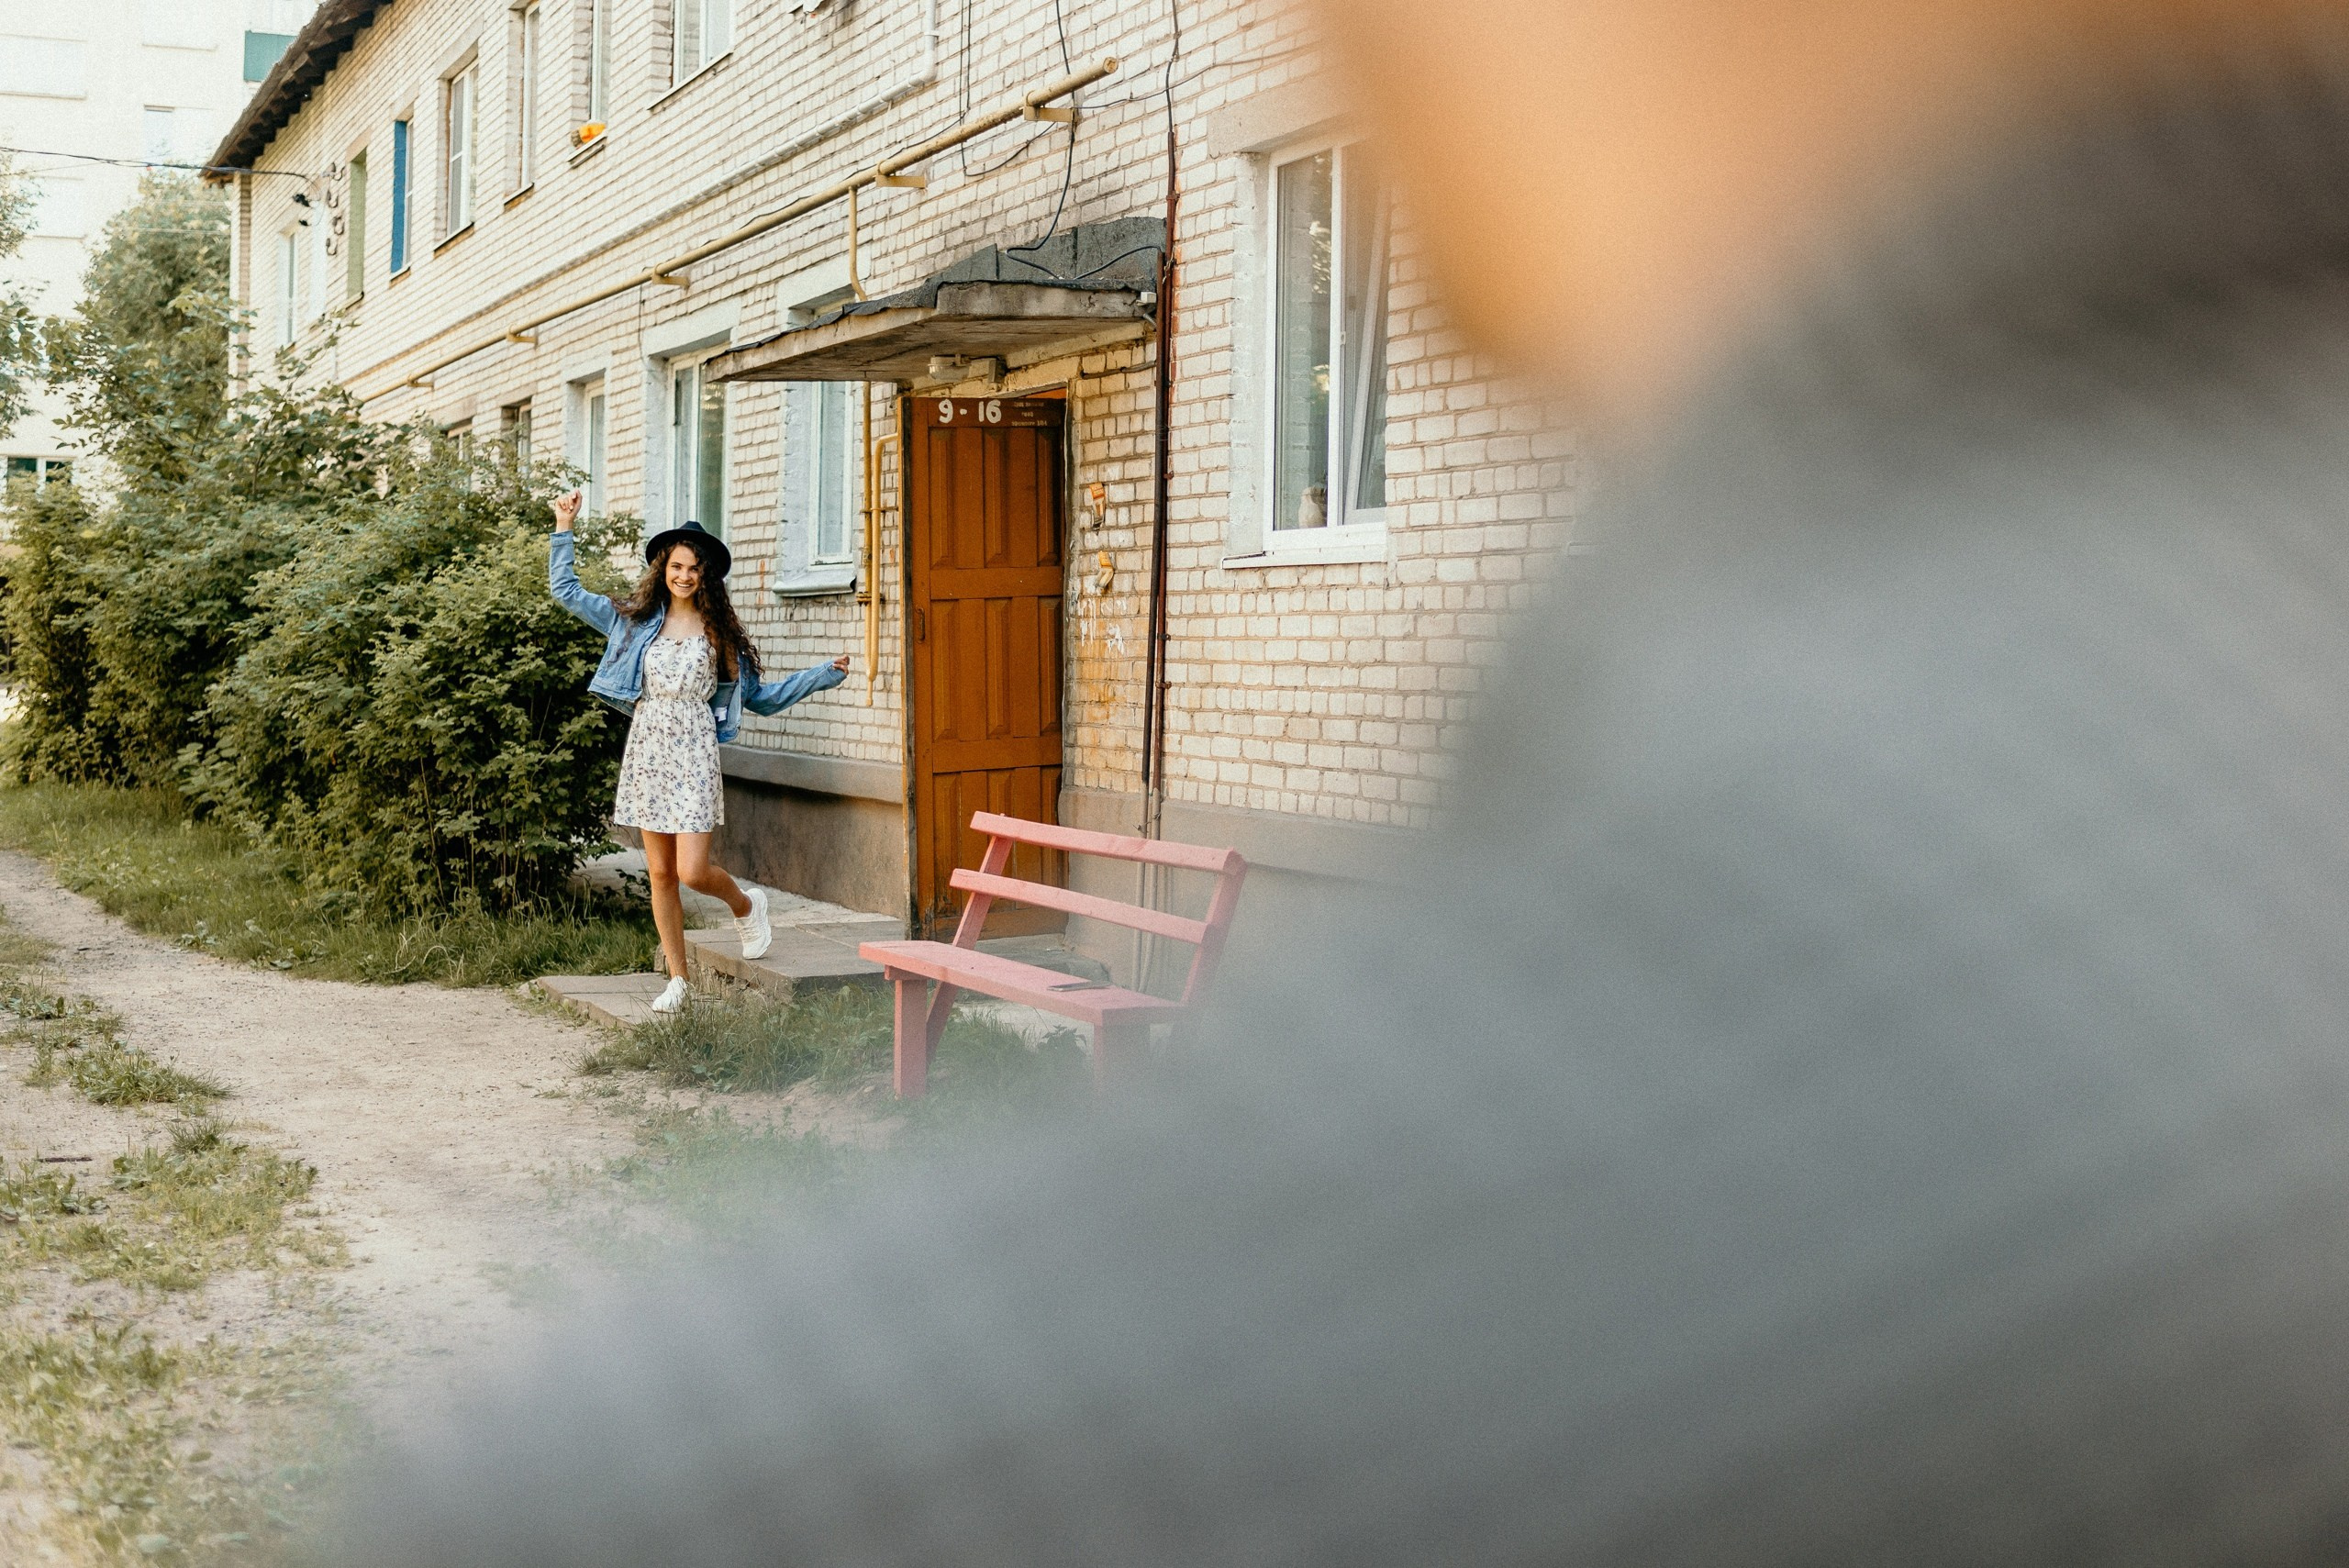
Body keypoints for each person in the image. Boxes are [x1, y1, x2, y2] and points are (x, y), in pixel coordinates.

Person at [341, 3, 2349, 1563]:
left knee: (698, 868)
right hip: (661, 747)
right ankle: (685, 959)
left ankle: (708, 939)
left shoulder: (722, 1481)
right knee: (675, 863)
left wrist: (815, 662)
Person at [549, 489, 847, 1013]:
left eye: (694, 569)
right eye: (677, 566)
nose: (684, 576)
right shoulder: (634, 620)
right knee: (661, 875)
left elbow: (762, 699)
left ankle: (745, 905)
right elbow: (566, 590)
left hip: (694, 755)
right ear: (663, 569)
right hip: (648, 751)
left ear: (707, 576)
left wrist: (821, 675)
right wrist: (563, 524)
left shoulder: (719, 635)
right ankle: (679, 982)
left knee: (691, 871)